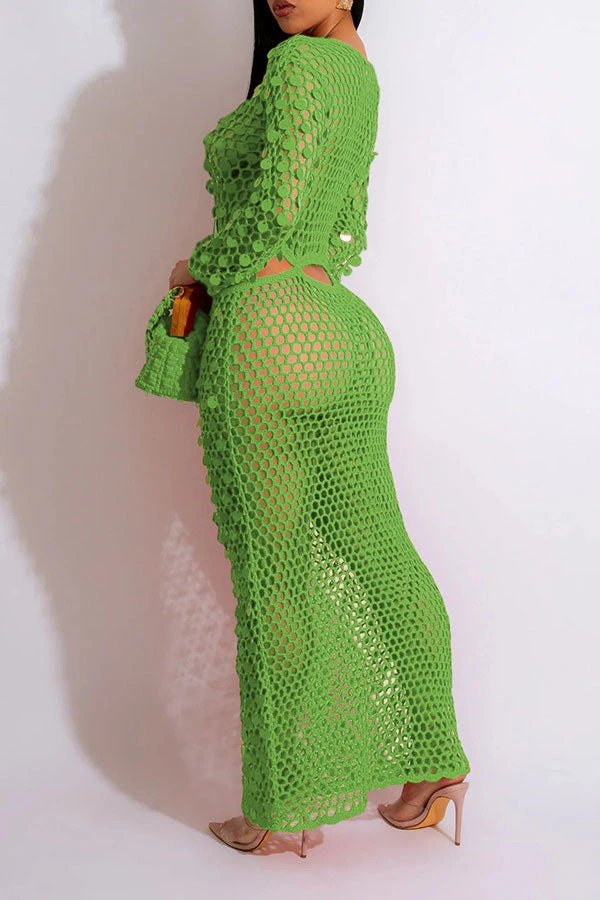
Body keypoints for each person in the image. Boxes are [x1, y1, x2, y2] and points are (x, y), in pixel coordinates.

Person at [167, 0, 471, 857]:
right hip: (345, 331)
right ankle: (437, 765)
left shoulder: (297, 65)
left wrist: (197, 267)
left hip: (269, 332)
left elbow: (274, 216)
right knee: (383, 555)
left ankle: (278, 809)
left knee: (277, 575)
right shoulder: (361, 75)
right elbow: (344, 232)